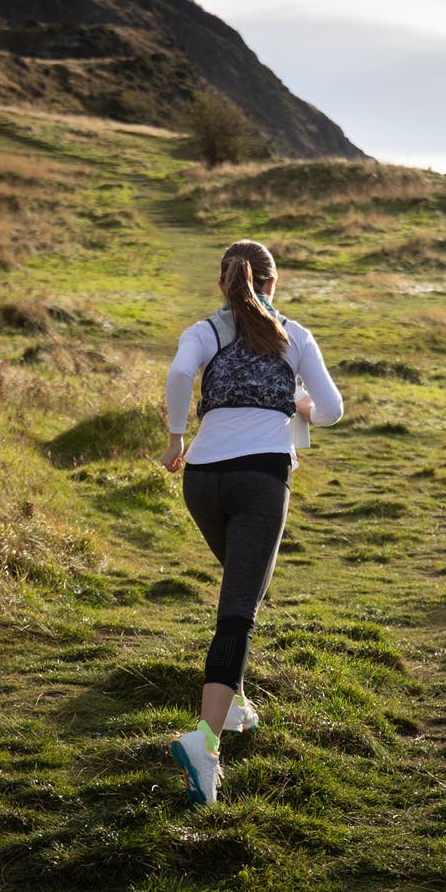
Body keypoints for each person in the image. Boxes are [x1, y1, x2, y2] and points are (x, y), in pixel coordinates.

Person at [160, 239, 343, 809]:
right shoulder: (294, 335)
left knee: (243, 586)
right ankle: (205, 743)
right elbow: (332, 410)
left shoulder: (206, 331)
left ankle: (234, 702)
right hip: (261, 479)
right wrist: (300, 405)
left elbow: (177, 375)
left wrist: (175, 438)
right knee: (239, 609)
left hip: (203, 481)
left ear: (224, 284)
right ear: (273, 283)